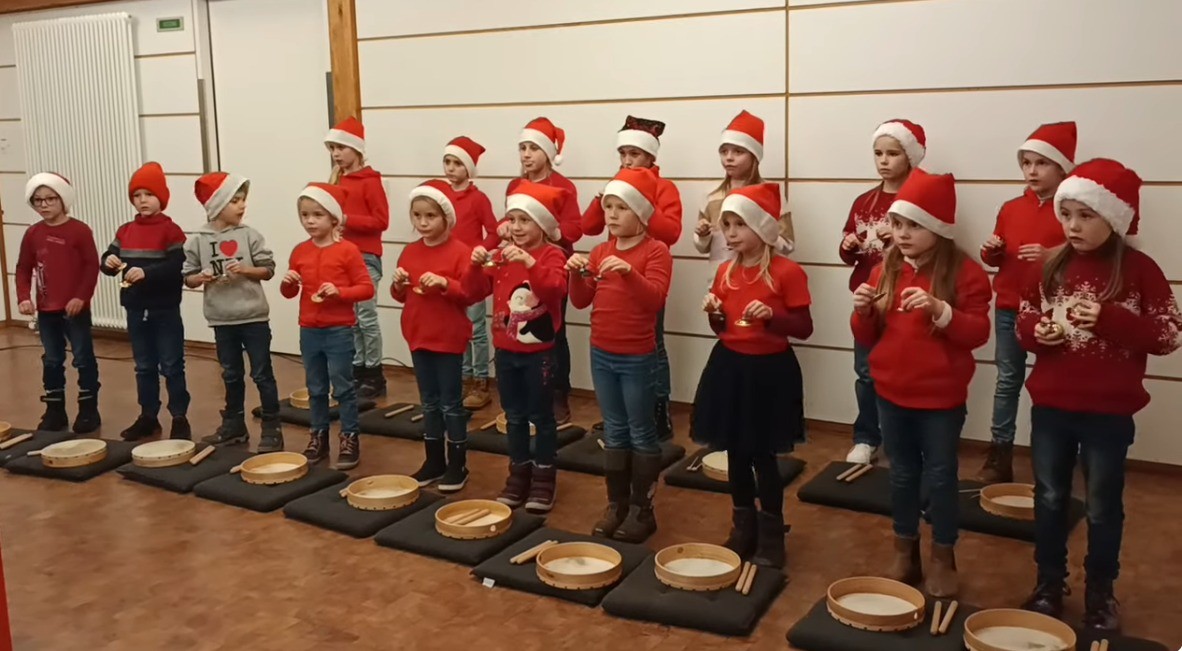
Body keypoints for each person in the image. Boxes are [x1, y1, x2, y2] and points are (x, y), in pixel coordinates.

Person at [1016, 159, 1180, 632]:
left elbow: (1169, 334)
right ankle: (1049, 582)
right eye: (1066, 214)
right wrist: (1037, 332)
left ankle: (1100, 592)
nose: (1072, 225)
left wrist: (1110, 319)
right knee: (1048, 497)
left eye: (1085, 215)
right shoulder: (1050, 264)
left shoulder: (1141, 270)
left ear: (1115, 218)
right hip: (1051, 407)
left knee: (1104, 504)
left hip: (1109, 413)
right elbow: (1024, 316)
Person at [850, 169, 992, 597]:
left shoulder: (966, 273)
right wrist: (863, 311)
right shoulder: (884, 269)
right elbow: (866, 337)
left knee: (942, 475)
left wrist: (939, 309)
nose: (904, 234)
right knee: (901, 474)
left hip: (941, 397)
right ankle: (904, 549)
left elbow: (977, 334)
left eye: (916, 225)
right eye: (898, 224)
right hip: (891, 392)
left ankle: (942, 554)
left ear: (939, 229)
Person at [691, 182, 812, 569]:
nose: (729, 234)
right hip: (730, 367)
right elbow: (723, 328)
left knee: (764, 455)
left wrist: (772, 316)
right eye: (725, 225)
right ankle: (743, 524)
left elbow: (805, 327)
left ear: (761, 228)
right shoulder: (725, 271)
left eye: (738, 225)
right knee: (736, 454)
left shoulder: (787, 271)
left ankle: (773, 532)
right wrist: (714, 312)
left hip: (769, 372)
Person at [568, 167, 673, 543]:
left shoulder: (656, 250)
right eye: (607, 206)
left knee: (641, 431)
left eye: (621, 208)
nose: (611, 215)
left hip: (637, 356)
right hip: (601, 352)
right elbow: (580, 302)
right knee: (613, 429)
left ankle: (643, 511)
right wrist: (576, 274)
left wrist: (629, 272)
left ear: (642, 213)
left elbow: (655, 300)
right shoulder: (599, 251)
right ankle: (616, 506)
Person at [974, 122, 1075, 483]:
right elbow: (995, 259)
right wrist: (992, 251)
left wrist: (1051, 255)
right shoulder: (1012, 207)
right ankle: (1000, 454)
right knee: (1008, 380)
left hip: (1055, 311)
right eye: (1026, 163)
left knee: (1054, 382)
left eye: (1041, 163)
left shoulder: (1072, 209)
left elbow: (1088, 253)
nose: (1032, 171)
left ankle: (1054, 454)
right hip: (1009, 308)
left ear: (1062, 168)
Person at [465, 181, 568, 513]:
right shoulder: (501, 257)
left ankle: (544, 477)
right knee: (514, 416)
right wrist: (475, 263)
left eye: (526, 220)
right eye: (513, 219)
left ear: (543, 224)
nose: (517, 227)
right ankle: (518, 472)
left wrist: (529, 261)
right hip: (506, 351)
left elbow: (554, 290)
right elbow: (471, 291)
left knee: (542, 416)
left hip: (540, 355)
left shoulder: (553, 254)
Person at [581, 115, 683, 440]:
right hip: (613, 272)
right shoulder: (615, 186)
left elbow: (672, 233)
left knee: (654, 344)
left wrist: (642, 206)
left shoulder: (665, 187)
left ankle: (658, 409)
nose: (626, 160)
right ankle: (620, 413)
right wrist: (604, 196)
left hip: (648, 269)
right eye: (622, 153)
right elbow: (589, 227)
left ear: (651, 157)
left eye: (634, 154)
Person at [839, 119, 925, 464]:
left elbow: (937, 248)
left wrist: (899, 245)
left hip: (909, 298)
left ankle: (906, 438)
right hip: (870, 298)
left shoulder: (921, 199)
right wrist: (849, 245)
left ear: (910, 156)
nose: (884, 161)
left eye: (892, 153)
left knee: (910, 370)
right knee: (866, 370)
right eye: (878, 153)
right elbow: (849, 254)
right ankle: (867, 436)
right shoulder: (865, 201)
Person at [183, 172, 282, 452]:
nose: (242, 206)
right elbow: (187, 277)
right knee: (230, 373)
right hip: (221, 318)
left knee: (262, 373)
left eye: (243, 200)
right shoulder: (197, 241)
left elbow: (268, 269)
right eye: (235, 201)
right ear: (217, 205)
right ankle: (234, 425)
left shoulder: (249, 235)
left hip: (254, 317)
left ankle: (272, 426)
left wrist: (246, 270)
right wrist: (199, 278)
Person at [280, 183, 375, 470]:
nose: (310, 221)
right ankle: (318, 435)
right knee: (315, 386)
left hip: (338, 330)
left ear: (333, 218)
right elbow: (289, 293)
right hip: (309, 329)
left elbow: (366, 288)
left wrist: (340, 292)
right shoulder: (300, 252)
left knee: (343, 387)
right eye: (305, 215)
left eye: (317, 215)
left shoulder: (347, 251)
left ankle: (349, 437)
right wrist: (287, 283)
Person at [393, 180, 478, 493]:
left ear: (445, 217)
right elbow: (400, 295)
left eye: (430, 216)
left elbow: (469, 293)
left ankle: (458, 464)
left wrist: (444, 283)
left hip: (448, 337)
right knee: (428, 403)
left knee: (451, 404)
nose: (423, 222)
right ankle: (434, 461)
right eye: (417, 216)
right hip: (418, 335)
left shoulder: (460, 253)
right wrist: (399, 283)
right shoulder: (409, 251)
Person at [100, 162, 191, 441]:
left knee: (172, 364)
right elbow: (106, 262)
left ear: (161, 198)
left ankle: (179, 416)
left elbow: (177, 266)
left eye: (148, 195)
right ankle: (148, 416)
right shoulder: (125, 230)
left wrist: (147, 273)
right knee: (143, 365)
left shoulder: (170, 230)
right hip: (136, 308)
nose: (142, 201)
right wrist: (109, 261)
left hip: (164, 309)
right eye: (137, 196)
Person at [504, 117, 582, 424]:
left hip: (550, 264)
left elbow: (574, 229)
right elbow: (510, 220)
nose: (526, 154)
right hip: (517, 266)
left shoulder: (564, 186)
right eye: (522, 147)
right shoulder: (514, 185)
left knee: (553, 332)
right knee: (517, 325)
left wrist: (545, 229)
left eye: (533, 148)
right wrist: (506, 228)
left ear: (549, 153)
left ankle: (557, 393)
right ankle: (522, 393)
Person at [16, 172, 100, 433]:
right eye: (38, 200)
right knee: (52, 360)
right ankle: (55, 410)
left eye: (50, 199)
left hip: (74, 310)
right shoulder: (32, 234)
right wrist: (23, 297)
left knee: (83, 358)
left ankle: (88, 410)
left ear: (63, 200)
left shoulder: (80, 231)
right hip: (47, 310)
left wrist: (80, 297)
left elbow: (91, 267)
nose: (44, 205)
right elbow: (22, 268)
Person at [326, 117, 390, 399]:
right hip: (343, 256)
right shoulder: (337, 179)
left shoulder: (370, 182)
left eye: (341, 147)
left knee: (366, 316)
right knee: (350, 318)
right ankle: (357, 367)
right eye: (332, 148)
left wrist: (348, 219)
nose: (336, 154)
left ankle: (374, 372)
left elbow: (381, 220)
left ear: (356, 149)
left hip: (365, 256)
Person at [694, 110, 795, 279]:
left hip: (760, 281)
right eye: (724, 151)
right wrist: (702, 235)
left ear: (754, 156)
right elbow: (702, 247)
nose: (729, 158)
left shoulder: (771, 194)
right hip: (719, 283)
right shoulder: (711, 195)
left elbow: (787, 244)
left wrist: (760, 234)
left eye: (738, 152)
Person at [442, 136, 500, 410]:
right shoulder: (441, 198)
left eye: (457, 163)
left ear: (468, 168)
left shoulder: (478, 199)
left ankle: (480, 380)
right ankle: (461, 376)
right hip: (448, 270)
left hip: (471, 270)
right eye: (447, 162)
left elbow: (493, 233)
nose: (451, 168)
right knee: (456, 325)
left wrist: (476, 252)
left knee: (476, 326)